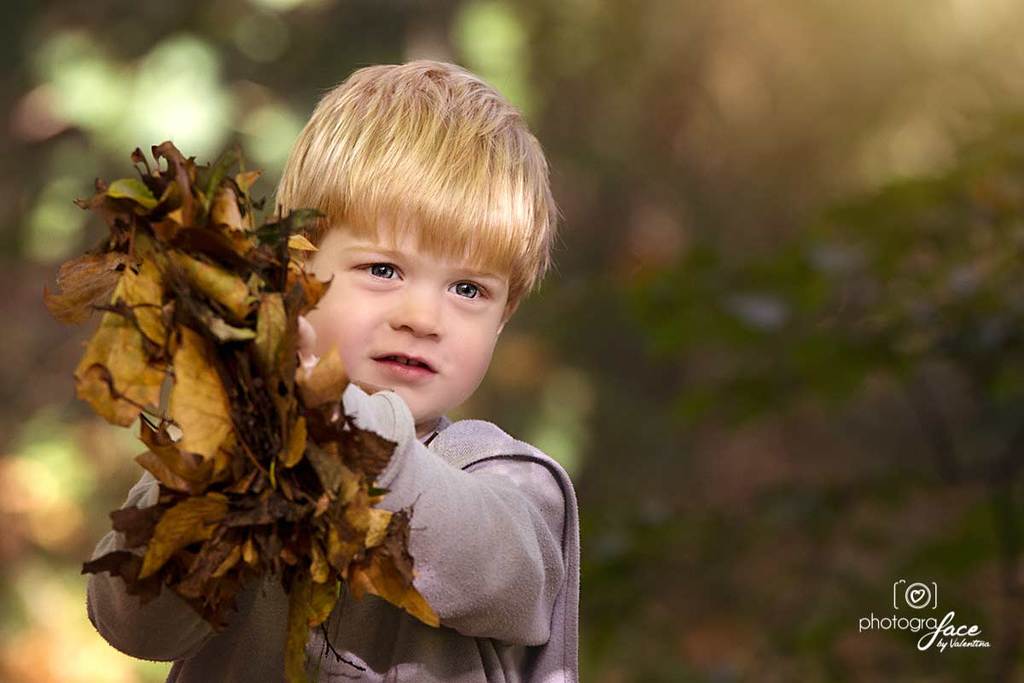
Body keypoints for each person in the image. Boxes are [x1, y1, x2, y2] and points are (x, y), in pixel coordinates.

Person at [85, 59, 580, 682]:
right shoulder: (236, 452)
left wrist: (346, 429)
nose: (423, 317)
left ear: (504, 317)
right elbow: (132, 624)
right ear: (298, 273)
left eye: (467, 288)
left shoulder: (506, 480)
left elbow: (498, 575)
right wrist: (212, 484)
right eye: (382, 270)